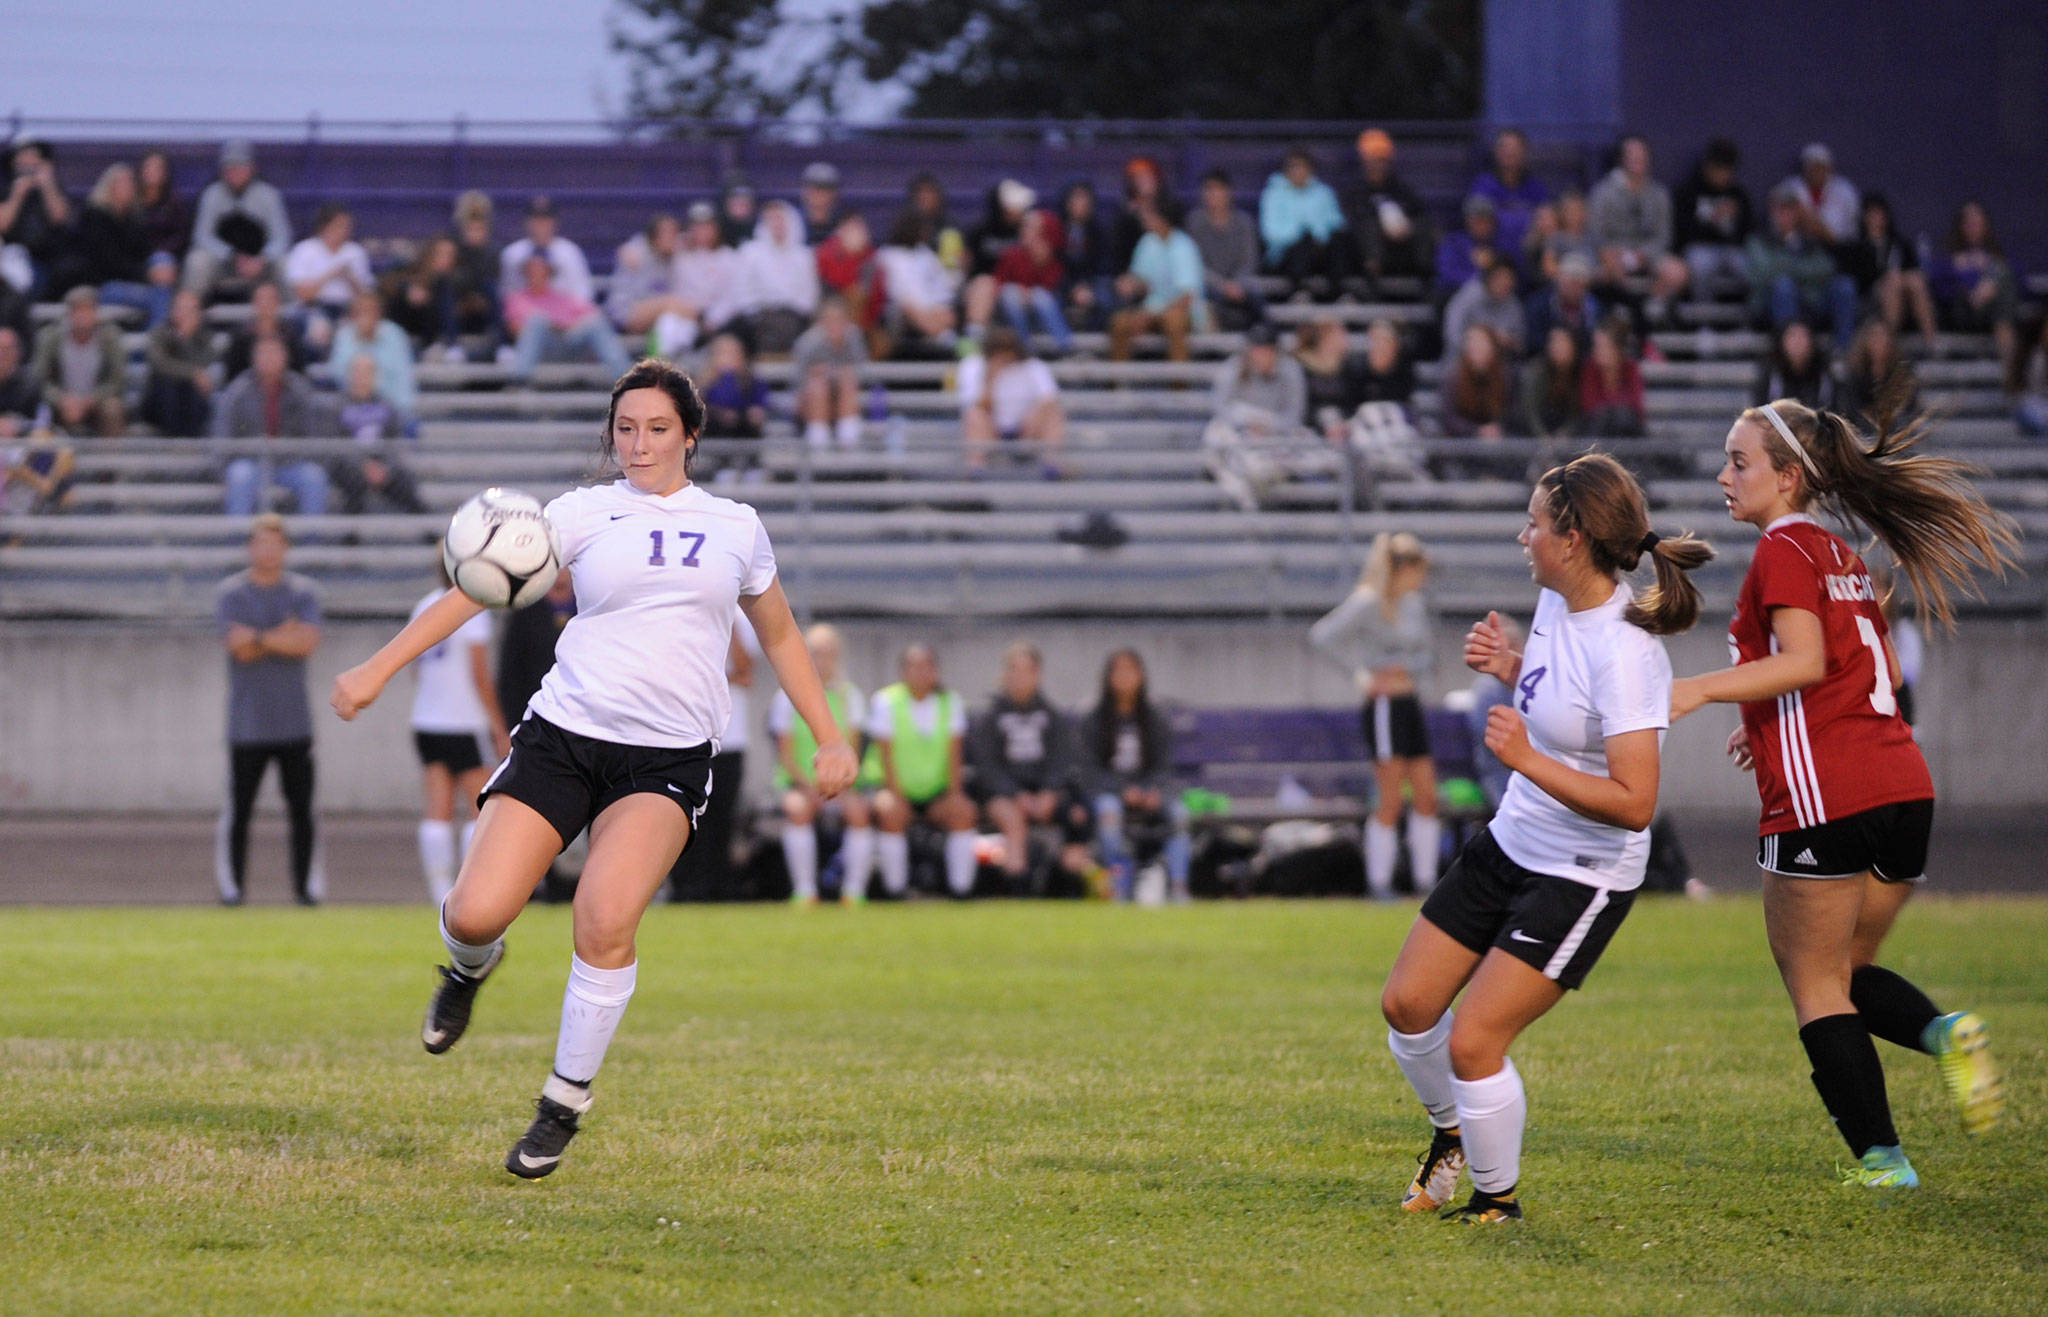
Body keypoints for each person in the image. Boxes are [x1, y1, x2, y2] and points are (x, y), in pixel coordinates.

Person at [329, 358, 858, 1179]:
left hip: (668, 757)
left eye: (655, 428)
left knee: (604, 918)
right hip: (564, 736)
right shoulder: (579, 512)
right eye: (624, 428)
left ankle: (562, 1104)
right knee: (474, 912)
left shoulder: (736, 525)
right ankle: (469, 966)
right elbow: (470, 590)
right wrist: (377, 667)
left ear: (689, 433)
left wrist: (829, 733)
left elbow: (781, 635)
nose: (638, 443)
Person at [1667, 396, 2017, 1187]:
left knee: (1814, 981)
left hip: (1829, 796)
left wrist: (1701, 690)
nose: (1725, 476)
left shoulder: (1783, 551)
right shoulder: (1841, 555)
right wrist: (1759, 719)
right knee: (1849, 969)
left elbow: (1805, 663)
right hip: (1902, 784)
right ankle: (1944, 1030)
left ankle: (1884, 1160)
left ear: (1789, 477)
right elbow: (1878, 676)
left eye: (1740, 461)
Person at [1380, 453, 1711, 1222]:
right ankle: (1451, 1133)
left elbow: (1635, 803)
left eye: (1533, 521)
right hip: (1514, 837)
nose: (1521, 533)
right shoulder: (1559, 602)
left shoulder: (1628, 649)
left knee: (1474, 1043)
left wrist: (1524, 756)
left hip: (1585, 870)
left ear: (1572, 539)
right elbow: (1567, 703)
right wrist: (1511, 666)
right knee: (1407, 1004)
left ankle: (1497, 1202)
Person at [1311, 532, 1442, 899]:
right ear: (1401, 569)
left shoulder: (1414, 605)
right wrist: (1365, 674)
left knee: (1427, 793)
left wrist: (1408, 668)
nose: (1422, 578)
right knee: (1390, 796)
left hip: (1409, 703)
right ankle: (1379, 881)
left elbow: (1426, 654)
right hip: (1384, 706)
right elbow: (1323, 636)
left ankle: (1425, 880)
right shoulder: (1368, 603)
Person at [217, 514, 326, 906]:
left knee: (301, 812)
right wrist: (282, 635)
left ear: (285, 548)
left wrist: (259, 637)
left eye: (274, 542)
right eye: (260, 542)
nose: (267, 550)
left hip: (294, 723)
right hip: (247, 725)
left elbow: (306, 642)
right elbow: (238, 648)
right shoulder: (232, 593)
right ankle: (232, 890)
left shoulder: (303, 592)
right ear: (250, 547)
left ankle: (305, 889)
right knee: (240, 812)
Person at [410, 558, 511, 904]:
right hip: (465, 722)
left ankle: (439, 893)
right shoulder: (473, 610)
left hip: (426, 720)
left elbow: (415, 667)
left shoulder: (424, 605)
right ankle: (469, 891)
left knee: (437, 807)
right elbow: (479, 674)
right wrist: (499, 726)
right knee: (478, 807)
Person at [773, 623, 882, 905]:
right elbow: (785, 754)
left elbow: (854, 750)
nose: (822, 661)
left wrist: (838, 785)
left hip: (840, 785)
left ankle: (854, 891)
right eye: (815, 654)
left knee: (859, 812)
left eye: (828, 654)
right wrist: (810, 787)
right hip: (801, 783)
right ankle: (805, 891)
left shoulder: (851, 696)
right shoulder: (786, 696)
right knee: (798, 810)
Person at [866, 643, 978, 899]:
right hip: (896, 790)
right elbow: (886, 756)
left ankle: (961, 890)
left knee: (963, 812)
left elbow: (954, 755)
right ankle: (895, 890)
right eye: (914, 667)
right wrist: (896, 796)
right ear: (903, 672)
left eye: (927, 667)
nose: (921, 673)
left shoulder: (950, 702)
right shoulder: (886, 702)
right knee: (890, 813)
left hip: (936, 792)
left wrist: (954, 795)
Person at [1079, 649, 1189, 903]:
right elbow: (1089, 771)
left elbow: (1163, 766)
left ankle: (1179, 885)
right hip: (1110, 794)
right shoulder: (1094, 718)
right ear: (1107, 677)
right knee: (1109, 811)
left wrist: (1152, 789)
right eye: (1118, 671)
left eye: (1131, 670)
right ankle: (1119, 885)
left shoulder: (1154, 717)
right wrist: (1121, 790)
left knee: (1180, 815)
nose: (1125, 677)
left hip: (1151, 792)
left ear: (1141, 676)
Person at [970, 641, 1082, 890]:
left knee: (1079, 815)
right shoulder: (991, 717)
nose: (1020, 677)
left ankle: (1072, 880)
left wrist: (1048, 792)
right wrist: (1016, 794)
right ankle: (1017, 883)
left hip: (1044, 793)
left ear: (1037, 675)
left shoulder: (1052, 716)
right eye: (1014, 670)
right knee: (1013, 819)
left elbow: (1061, 760)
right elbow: (986, 766)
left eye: (1026, 670)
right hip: (1002, 795)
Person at [666, 619, 758, 902]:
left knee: (722, 815)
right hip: (688, 734)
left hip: (730, 738)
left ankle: (718, 883)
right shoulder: (687, 613)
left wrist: (727, 621)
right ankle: (685, 884)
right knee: (685, 815)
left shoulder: (740, 621)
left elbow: (745, 671)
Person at [215, 336, 330, 517]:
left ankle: (312, 544)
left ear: (285, 358)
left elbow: (314, 433)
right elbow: (224, 434)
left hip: (290, 464)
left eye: (274, 354)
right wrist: (225, 470)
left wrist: (291, 452)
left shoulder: (300, 390)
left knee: (314, 477)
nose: (269, 359)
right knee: (238, 476)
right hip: (251, 462)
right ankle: (237, 542)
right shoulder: (239, 390)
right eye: (264, 354)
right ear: (255, 358)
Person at [1747, 185, 1859, 352]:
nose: (1785, 215)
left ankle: (1844, 351)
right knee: (1784, 286)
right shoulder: (1758, 241)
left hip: (1812, 302)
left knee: (1844, 285)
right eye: (1780, 210)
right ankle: (1787, 353)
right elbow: (1765, 272)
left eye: (1790, 210)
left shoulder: (1809, 240)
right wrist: (1804, 271)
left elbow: (1827, 268)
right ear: (1772, 212)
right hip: (1772, 304)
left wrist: (1787, 267)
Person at [1586, 135, 1689, 314]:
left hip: (1648, 254)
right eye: (1632, 155)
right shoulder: (1603, 193)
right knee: (1605, 270)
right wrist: (1611, 253)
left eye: (1641, 155)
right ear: (1621, 159)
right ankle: (1621, 310)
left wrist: (1644, 255)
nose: (1637, 159)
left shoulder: (1659, 194)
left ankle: (1650, 309)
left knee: (1678, 272)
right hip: (1613, 254)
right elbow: (1596, 234)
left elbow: (1664, 236)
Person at [64, 162, 172, 325]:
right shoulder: (95, 217)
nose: (129, 187)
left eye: (130, 182)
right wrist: (147, 274)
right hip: (103, 285)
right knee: (161, 296)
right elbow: (107, 263)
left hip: (132, 281)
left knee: (162, 259)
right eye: (122, 183)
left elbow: (146, 252)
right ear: (109, 187)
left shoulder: (134, 219)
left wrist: (159, 270)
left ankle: (153, 339)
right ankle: (156, 342)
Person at [1928, 202, 2020, 391]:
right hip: (1961, 312)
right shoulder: (1949, 257)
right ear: (1960, 226)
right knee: (2000, 276)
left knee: (2002, 278)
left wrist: (1989, 276)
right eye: (1969, 222)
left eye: (1978, 222)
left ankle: (2012, 377)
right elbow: (1935, 284)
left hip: (1992, 314)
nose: (1974, 227)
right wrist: (1956, 268)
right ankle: (2015, 377)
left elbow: (2021, 284)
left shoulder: (1996, 256)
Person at [184, 140, 291, 297]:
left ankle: (293, 313)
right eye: (229, 166)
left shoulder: (269, 195)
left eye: (240, 165)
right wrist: (232, 256)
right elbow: (202, 236)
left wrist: (262, 259)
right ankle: (190, 313)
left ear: (252, 168)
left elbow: (282, 237)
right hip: (223, 262)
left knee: (287, 263)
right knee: (197, 261)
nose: (234, 171)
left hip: (261, 263)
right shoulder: (211, 194)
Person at [504, 254, 634, 383]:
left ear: (549, 273)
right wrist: (548, 325)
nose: (537, 274)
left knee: (596, 323)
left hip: (569, 344)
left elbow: (594, 313)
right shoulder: (518, 299)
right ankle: (520, 380)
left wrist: (566, 326)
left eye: (541, 270)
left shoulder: (562, 298)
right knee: (537, 322)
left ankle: (625, 378)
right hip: (542, 348)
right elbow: (516, 332)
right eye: (533, 271)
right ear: (526, 274)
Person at [1109, 199, 1207, 363]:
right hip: (1151, 310)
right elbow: (1141, 282)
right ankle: (1118, 385)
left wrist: (1151, 316)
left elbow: (1187, 298)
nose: (1145, 218)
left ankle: (1180, 386)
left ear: (1164, 218)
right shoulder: (1147, 242)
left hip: (1183, 312)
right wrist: (1130, 284)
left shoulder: (1184, 246)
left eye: (1150, 214)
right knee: (1120, 323)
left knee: (1173, 321)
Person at [1839, 194, 1938, 354]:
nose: (1876, 218)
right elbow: (1856, 280)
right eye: (1872, 214)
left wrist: (1897, 277)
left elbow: (1912, 269)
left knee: (1915, 280)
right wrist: (1885, 277)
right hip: (1869, 299)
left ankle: (1932, 342)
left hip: (1905, 295)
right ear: (1864, 217)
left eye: (1879, 213)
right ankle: (1890, 344)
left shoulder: (1900, 244)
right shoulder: (1855, 247)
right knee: (1893, 283)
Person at [330, 354, 427, 515]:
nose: (362, 377)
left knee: (405, 480)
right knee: (353, 483)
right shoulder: (337, 407)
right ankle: (350, 537)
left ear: (374, 376)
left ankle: (430, 530)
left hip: (382, 466)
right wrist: (363, 466)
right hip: (349, 467)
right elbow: (333, 444)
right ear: (350, 375)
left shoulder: (386, 405)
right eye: (358, 372)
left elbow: (396, 440)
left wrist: (384, 467)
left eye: (367, 372)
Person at [957, 326, 1065, 470]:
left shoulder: (1034, 366)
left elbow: (1050, 399)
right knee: (974, 416)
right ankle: (975, 468)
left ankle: (1051, 465)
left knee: (1053, 414)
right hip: (992, 430)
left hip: (1027, 431)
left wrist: (1033, 417)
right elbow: (976, 406)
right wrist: (991, 379)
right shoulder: (972, 366)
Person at [1344, 129, 1434, 288]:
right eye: (1373, 160)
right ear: (1364, 161)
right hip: (1367, 248)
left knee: (1425, 226)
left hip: (1401, 243)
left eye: (1382, 160)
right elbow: (1352, 219)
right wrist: (1383, 225)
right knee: (1368, 227)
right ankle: (1372, 285)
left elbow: (1417, 211)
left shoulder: (1399, 188)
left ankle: (1425, 280)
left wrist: (1404, 225)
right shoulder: (1355, 190)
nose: (1378, 165)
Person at [32, 286, 127, 437]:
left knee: (112, 408)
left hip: (97, 402)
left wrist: (90, 401)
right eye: (78, 310)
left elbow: (118, 380)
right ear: (68, 313)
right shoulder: (51, 337)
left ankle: (111, 457)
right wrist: (62, 400)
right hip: (61, 403)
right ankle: (54, 458)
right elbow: (40, 380)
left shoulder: (110, 337)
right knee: (41, 410)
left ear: (96, 313)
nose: (82, 316)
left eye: (87, 310)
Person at [731, 201, 818, 357]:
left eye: (781, 219)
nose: (777, 224)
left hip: (793, 317)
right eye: (771, 219)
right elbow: (741, 292)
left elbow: (809, 297)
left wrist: (786, 309)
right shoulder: (750, 252)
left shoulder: (804, 256)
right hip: (758, 317)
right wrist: (759, 311)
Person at [1259, 149, 1349, 300]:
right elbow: (1270, 233)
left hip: (1320, 251)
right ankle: (1299, 292)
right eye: (1294, 166)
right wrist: (1301, 233)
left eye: (1302, 166)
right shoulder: (1273, 194)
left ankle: (1339, 293)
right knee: (1302, 242)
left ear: (1311, 169)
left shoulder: (1324, 193)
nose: (1298, 171)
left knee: (1338, 241)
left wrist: (1319, 236)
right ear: (1286, 170)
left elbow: (1337, 222)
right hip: (1285, 255)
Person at [606, 212, 699, 358]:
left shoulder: (677, 252)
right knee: (673, 304)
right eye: (666, 233)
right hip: (627, 311)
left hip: (659, 314)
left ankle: (663, 358)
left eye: (674, 233)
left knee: (673, 321)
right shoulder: (636, 252)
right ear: (653, 235)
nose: (672, 238)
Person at [283, 203, 372, 348]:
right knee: (320, 329)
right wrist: (331, 274)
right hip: (313, 308)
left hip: (348, 309)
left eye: (348, 226)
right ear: (324, 226)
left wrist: (349, 278)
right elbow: (303, 295)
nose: (345, 231)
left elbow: (365, 297)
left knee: (359, 327)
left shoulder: (355, 252)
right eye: (340, 225)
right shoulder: (305, 250)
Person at [1672, 138, 1753, 296]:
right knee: (1701, 264)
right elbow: (1680, 232)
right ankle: (1702, 317)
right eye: (1718, 168)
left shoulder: (1738, 195)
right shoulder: (1689, 191)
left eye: (1727, 170)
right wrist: (1711, 218)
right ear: (1707, 167)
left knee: (1750, 267)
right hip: (1699, 247)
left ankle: (1748, 319)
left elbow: (1749, 230)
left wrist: (1737, 220)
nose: (1722, 175)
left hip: (1732, 250)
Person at [1186, 169, 1263, 331]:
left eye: (1218, 189)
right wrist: (1222, 285)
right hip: (1209, 286)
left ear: (1229, 192)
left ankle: (1265, 341)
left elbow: (1249, 260)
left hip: (1240, 285)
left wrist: (1237, 284)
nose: (1213, 194)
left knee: (1257, 298)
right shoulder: (1194, 222)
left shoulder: (1244, 222)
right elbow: (1193, 263)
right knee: (1203, 301)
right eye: (1209, 189)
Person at [790, 296, 867, 450]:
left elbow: (863, 374)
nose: (835, 325)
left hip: (845, 399)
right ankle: (819, 443)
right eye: (830, 320)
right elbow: (796, 384)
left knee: (848, 381)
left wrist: (837, 374)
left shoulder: (854, 337)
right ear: (821, 322)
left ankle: (849, 442)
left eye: (839, 320)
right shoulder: (808, 343)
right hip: (812, 402)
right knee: (818, 385)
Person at [1, 136, 75, 295]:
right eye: (24, 156)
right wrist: (17, 194)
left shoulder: (52, 188)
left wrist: (48, 186)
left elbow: (61, 218)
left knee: (69, 269)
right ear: (14, 161)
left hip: (49, 255)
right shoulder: (5, 189)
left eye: (35, 156)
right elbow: (2, 225)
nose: (30, 162)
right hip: (13, 255)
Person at [992, 209, 1072, 353]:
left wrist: (1041, 262)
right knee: (1011, 294)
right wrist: (1021, 291)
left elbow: (1052, 286)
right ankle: (1025, 348)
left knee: (1040, 296)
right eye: (1025, 227)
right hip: (1011, 314)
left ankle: (1066, 347)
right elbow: (998, 284)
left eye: (1033, 229)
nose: (1026, 232)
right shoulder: (1012, 254)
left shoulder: (1052, 260)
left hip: (1040, 312)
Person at [878, 214, 961, 354]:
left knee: (947, 313)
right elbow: (893, 292)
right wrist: (922, 309)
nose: (925, 233)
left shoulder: (926, 255)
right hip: (898, 313)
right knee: (909, 308)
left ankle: (942, 338)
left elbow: (941, 287)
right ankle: (946, 341)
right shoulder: (886, 255)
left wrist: (937, 308)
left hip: (930, 310)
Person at [330, 288, 417, 420]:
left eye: (370, 310)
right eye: (360, 311)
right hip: (352, 410)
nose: (365, 316)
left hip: (391, 411)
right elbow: (339, 376)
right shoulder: (344, 336)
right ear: (353, 314)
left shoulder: (395, 335)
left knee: (409, 426)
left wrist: (397, 413)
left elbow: (404, 380)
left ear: (379, 313)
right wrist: (359, 339)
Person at [142, 287, 218, 437]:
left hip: (192, 400)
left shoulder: (205, 338)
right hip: (160, 400)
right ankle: (173, 442)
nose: (185, 314)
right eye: (182, 308)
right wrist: (192, 373)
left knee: (194, 391)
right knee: (169, 386)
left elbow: (204, 364)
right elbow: (160, 365)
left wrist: (186, 340)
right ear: (172, 311)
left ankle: (191, 443)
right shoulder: (159, 334)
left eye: (191, 309)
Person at [1468, 128, 1550, 259]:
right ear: (1496, 152)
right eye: (1505, 147)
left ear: (1525, 153)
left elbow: (1546, 221)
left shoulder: (1536, 188)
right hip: (1494, 255)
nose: (1510, 152)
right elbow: (1478, 226)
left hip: (1529, 255)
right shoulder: (1483, 185)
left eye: (1516, 148)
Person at [498, 195, 593, 305]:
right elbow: (506, 294)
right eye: (536, 219)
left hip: (565, 316)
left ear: (555, 222)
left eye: (546, 220)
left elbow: (583, 294)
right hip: (524, 316)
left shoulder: (570, 252)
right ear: (527, 222)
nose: (541, 225)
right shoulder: (512, 254)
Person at [815, 211, 889, 351]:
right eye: (852, 228)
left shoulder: (871, 256)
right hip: (833, 309)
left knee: (882, 341)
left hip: (867, 318)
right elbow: (838, 283)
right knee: (854, 296)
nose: (857, 233)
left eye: (859, 228)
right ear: (841, 231)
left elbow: (878, 293)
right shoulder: (827, 252)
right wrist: (852, 257)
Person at [1058, 181, 1116, 332]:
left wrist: (1087, 286)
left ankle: (1092, 343)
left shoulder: (1099, 231)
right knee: (1052, 300)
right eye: (1077, 199)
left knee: (1106, 299)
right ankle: (1063, 349)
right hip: (1065, 283)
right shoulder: (1057, 229)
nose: (1081, 204)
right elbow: (1056, 264)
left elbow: (1104, 264)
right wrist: (1073, 288)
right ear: (1068, 203)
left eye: (1085, 200)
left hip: (1092, 281)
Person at [1441, 259, 1525, 364]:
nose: (1504, 282)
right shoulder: (1467, 297)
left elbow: (1521, 343)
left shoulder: (1514, 305)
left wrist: (1507, 341)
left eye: (1508, 279)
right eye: (1499, 277)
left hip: (1500, 366)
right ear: (1489, 278)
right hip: (1462, 362)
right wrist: (1479, 345)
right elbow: (1451, 334)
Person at [1839, 318, 1919, 426]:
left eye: (1882, 336)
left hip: (1895, 429)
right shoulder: (1855, 372)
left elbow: (1907, 405)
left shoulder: (1902, 370)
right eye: (1874, 335)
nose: (1878, 341)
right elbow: (1852, 408)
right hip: (1860, 431)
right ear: (1865, 340)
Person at [1778, 142, 1860, 244]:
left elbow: (1836, 235)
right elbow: (1780, 226)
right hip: (1798, 251)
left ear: (1829, 168)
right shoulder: (1790, 187)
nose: (1815, 171)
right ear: (1804, 168)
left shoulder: (1845, 190)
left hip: (1840, 250)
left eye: (1820, 166)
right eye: (1811, 166)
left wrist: (1807, 218)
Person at [1440, 324, 1511, 440]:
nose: (1476, 347)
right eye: (1472, 342)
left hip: (1498, 440)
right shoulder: (1453, 378)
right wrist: (1476, 430)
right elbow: (1449, 418)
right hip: (1461, 442)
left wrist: (1496, 428)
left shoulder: (1506, 377)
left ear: (1493, 347)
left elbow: (1511, 413)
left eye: (1482, 342)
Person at [1522, 252, 1602, 354]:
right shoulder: (1538, 304)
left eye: (1579, 285)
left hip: (1582, 360)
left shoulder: (1595, 307)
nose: (1574, 289)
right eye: (1570, 283)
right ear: (1559, 281)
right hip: (1545, 358)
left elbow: (1594, 342)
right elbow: (1533, 341)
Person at [1577, 318, 1646, 437]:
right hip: (1596, 430)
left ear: (1618, 349)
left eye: (1603, 346)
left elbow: (1636, 406)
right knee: (1603, 421)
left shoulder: (1630, 368)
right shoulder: (1590, 369)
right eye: (1596, 346)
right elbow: (1589, 404)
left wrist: (1615, 410)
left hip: (1627, 430)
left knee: (1623, 419)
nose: (1597, 351)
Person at [698, 332, 771, 440]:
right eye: (723, 353)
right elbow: (697, 406)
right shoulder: (704, 381)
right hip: (713, 427)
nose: (727, 358)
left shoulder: (751, 380)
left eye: (732, 353)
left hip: (743, 427)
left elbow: (760, 404)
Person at [1752, 320, 1835, 412]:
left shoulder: (1824, 375)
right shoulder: (1770, 375)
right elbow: (1760, 412)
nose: (1797, 342)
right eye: (1792, 337)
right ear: (1782, 342)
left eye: (1803, 337)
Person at [1515, 326, 1583, 439]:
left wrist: (1567, 433)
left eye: (1562, 342)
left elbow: (1579, 413)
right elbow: (1530, 411)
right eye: (1554, 342)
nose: (1558, 347)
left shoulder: (1580, 373)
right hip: (1537, 433)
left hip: (1569, 437)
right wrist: (1542, 437)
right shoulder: (1536, 372)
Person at [1436, 195, 1503, 296]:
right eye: (1478, 221)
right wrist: (1480, 280)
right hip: (1455, 294)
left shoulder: (1500, 245)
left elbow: (1507, 275)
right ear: (1468, 222)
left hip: (1494, 296)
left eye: (1487, 221)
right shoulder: (1454, 242)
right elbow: (1446, 274)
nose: (1483, 226)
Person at [136, 150, 191, 269]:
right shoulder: (131, 202)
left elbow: (181, 236)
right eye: (148, 167)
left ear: (165, 173)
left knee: (162, 262)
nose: (152, 172)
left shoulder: (175, 204)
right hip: (135, 255)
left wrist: (159, 251)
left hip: (165, 257)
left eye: (157, 168)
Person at [798, 161, 848, 238]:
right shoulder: (791, 222)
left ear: (834, 194)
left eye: (826, 189)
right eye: (815, 189)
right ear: (804, 191)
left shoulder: (845, 226)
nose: (820, 195)